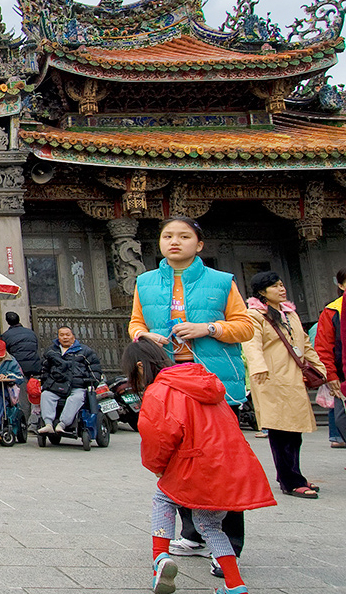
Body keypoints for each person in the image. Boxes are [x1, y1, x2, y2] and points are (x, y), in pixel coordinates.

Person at [128, 216, 256, 574]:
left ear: (199, 244)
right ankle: (193, 534)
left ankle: (227, 545)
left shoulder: (221, 282)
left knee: (221, 465)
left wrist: (208, 328)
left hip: (213, 384)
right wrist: (145, 337)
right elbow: (135, 324)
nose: (174, 242)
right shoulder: (146, 282)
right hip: (168, 381)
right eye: (168, 236)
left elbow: (246, 325)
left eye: (184, 236)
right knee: (178, 460)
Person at [122, 337, 274, 594]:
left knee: (163, 497)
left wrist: (157, 466)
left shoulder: (159, 391)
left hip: (196, 464)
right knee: (210, 525)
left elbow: (158, 436)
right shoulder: (204, 381)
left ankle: (160, 558)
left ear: (139, 366)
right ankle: (234, 584)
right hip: (230, 462)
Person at [243, 271, 327, 499]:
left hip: (293, 379)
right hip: (271, 379)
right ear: (262, 292)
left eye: (282, 285)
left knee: (294, 432)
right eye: (275, 286)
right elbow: (251, 343)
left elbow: (305, 343)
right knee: (281, 432)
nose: (282, 289)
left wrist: (319, 367)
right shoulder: (254, 315)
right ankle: (291, 481)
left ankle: (292, 474)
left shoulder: (289, 314)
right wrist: (258, 367)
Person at [37, 326, 101, 434]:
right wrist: (45, 381)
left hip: (76, 386)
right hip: (56, 385)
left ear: (73, 336)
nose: (65, 337)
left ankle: (62, 424)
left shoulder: (84, 351)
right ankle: (48, 424)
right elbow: (44, 368)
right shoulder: (51, 351)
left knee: (76, 398)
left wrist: (92, 382)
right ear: (58, 337)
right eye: (61, 335)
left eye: (67, 334)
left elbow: (94, 369)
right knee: (46, 395)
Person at [312, 268, 346, 448]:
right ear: (340, 285)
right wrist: (331, 375)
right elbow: (324, 347)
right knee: (342, 418)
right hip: (343, 376)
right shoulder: (332, 311)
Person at [0, 311, 42, 379]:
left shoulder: (5, 336)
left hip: (17, 367)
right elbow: (36, 347)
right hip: (35, 366)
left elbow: (4, 353)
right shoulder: (31, 333)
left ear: (8, 322)